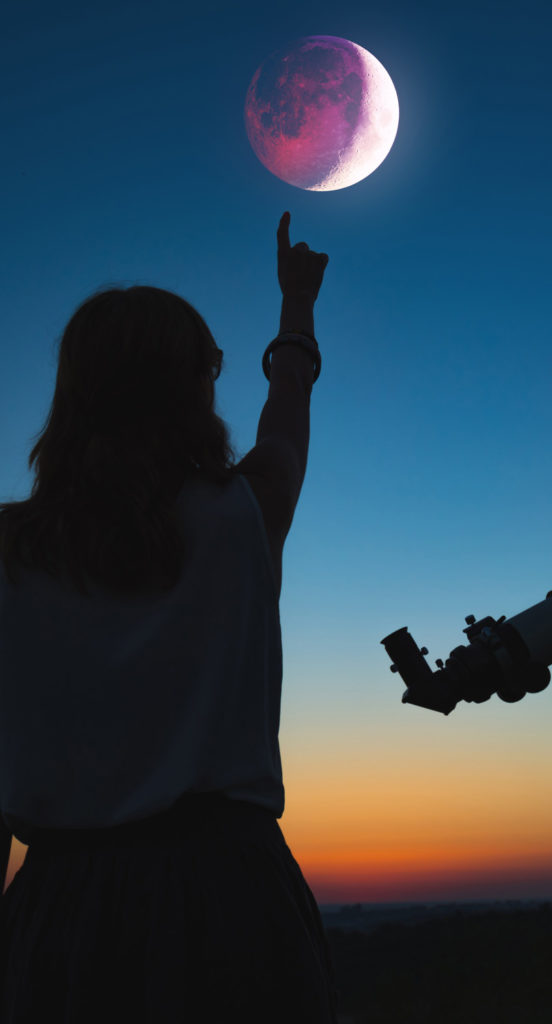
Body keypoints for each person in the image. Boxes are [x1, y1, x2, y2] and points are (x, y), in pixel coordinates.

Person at [0, 213, 338, 1022]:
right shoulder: (248, 511)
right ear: (195, 387)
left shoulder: (9, 548)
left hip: (61, 904)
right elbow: (288, 401)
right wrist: (297, 306)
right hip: (232, 898)